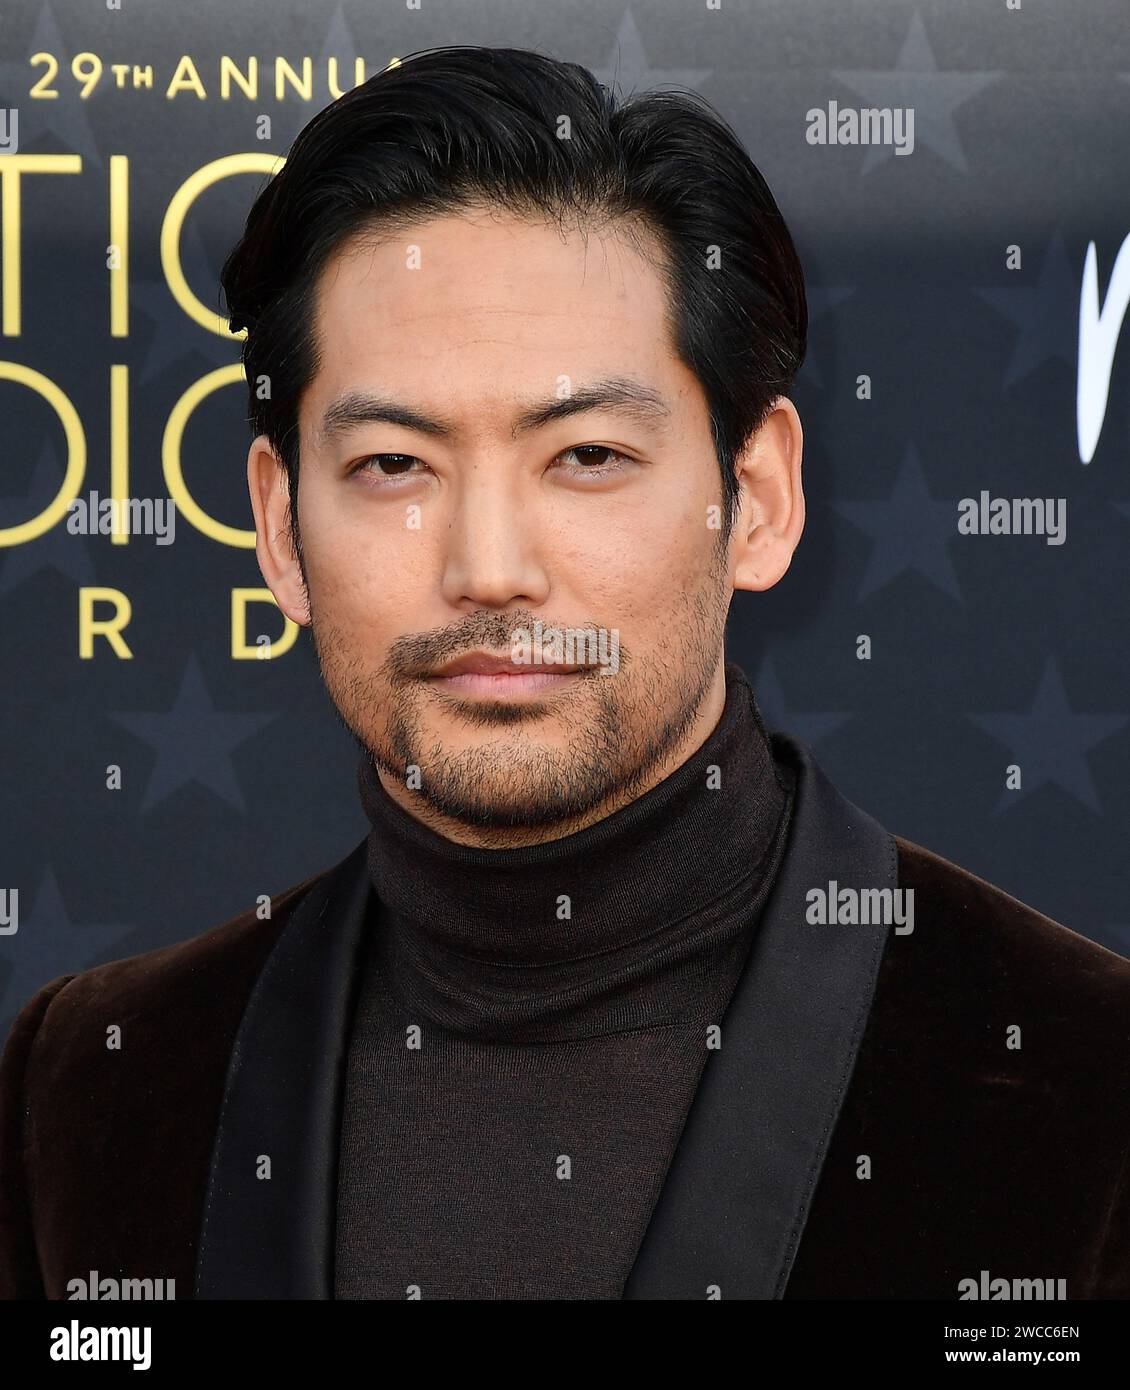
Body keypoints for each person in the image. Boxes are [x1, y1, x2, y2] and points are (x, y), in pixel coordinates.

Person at [2, 45, 1128, 1302]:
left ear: (753, 498)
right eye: (392, 464)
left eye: (586, 455)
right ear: (278, 525)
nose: (488, 569)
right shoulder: (94, 1084)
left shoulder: (1084, 1077)